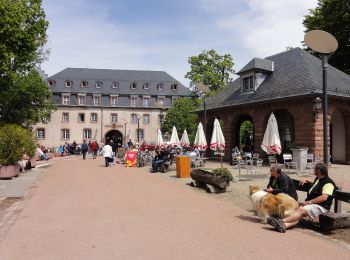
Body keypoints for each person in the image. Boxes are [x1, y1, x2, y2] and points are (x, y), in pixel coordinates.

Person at [268, 163, 336, 233]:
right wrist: (308, 181)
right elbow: (318, 186)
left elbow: (324, 197)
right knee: (298, 214)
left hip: (321, 206)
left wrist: (309, 202)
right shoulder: (318, 179)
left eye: (315, 169)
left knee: (301, 210)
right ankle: (285, 225)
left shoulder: (328, 183)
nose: (313, 170)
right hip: (314, 204)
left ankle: (280, 221)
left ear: (319, 171)